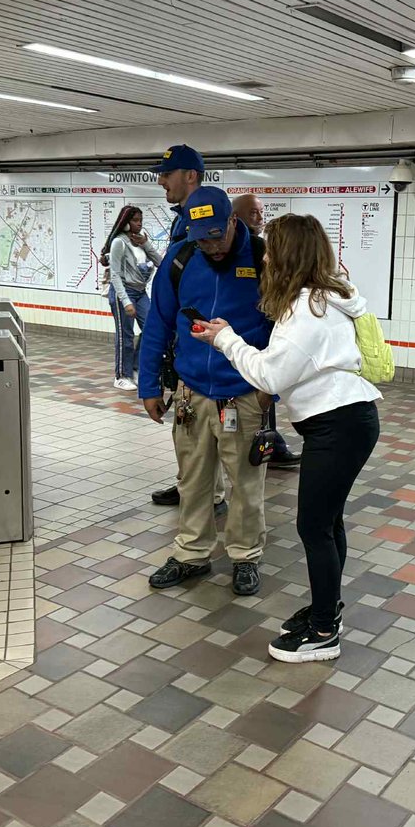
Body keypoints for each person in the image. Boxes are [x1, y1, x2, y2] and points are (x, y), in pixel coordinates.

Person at [192, 213, 381, 663]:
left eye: (272, 249)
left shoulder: (307, 310)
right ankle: (325, 612)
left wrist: (226, 340)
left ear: (289, 255)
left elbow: (271, 374)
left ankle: (322, 633)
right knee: (327, 523)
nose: (266, 256)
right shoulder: (325, 296)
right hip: (347, 421)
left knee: (314, 526)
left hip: (338, 425)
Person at [138, 185, 271, 596]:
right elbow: (158, 325)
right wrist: (148, 386)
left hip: (245, 393)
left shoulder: (265, 260)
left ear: (232, 220)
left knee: (245, 483)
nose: (211, 246)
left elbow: (281, 328)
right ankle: (191, 553)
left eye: (217, 235)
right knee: (192, 480)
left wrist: (271, 391)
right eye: (202, 239)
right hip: (191, 392)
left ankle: (245, 556)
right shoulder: (181, 260)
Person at [145, 146, 226, 516]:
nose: (161, 180)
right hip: (191, 362)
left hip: (230, 370)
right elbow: (161, 316)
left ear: (190, 175)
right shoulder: (181, 228)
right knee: (194, 446)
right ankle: (196, 488)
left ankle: (206, 491)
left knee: (229, 456)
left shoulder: (239, 243)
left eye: (167, 173)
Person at [231, 193, 300, 471]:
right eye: (253, 213)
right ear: (235, 217)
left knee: (263, 396)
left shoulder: (257, 249)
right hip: (242, 341)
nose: (259, 218)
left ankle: (269, 446)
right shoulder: (241, 251)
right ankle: (267, 447)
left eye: (261, 212)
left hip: (258, 340)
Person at [104, 205, 161, 390]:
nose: (138, 224)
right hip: (124, 292)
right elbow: (115, 275)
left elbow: (160, 262)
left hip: (140, 291)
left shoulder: (140, 240)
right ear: (126, 222)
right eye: (135, 221)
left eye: (140, 221)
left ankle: (135, 368)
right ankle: (121, 375)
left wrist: (145, 243)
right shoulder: (119, 243)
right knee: (125, 335)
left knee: (152, 329)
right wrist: (126, 301)